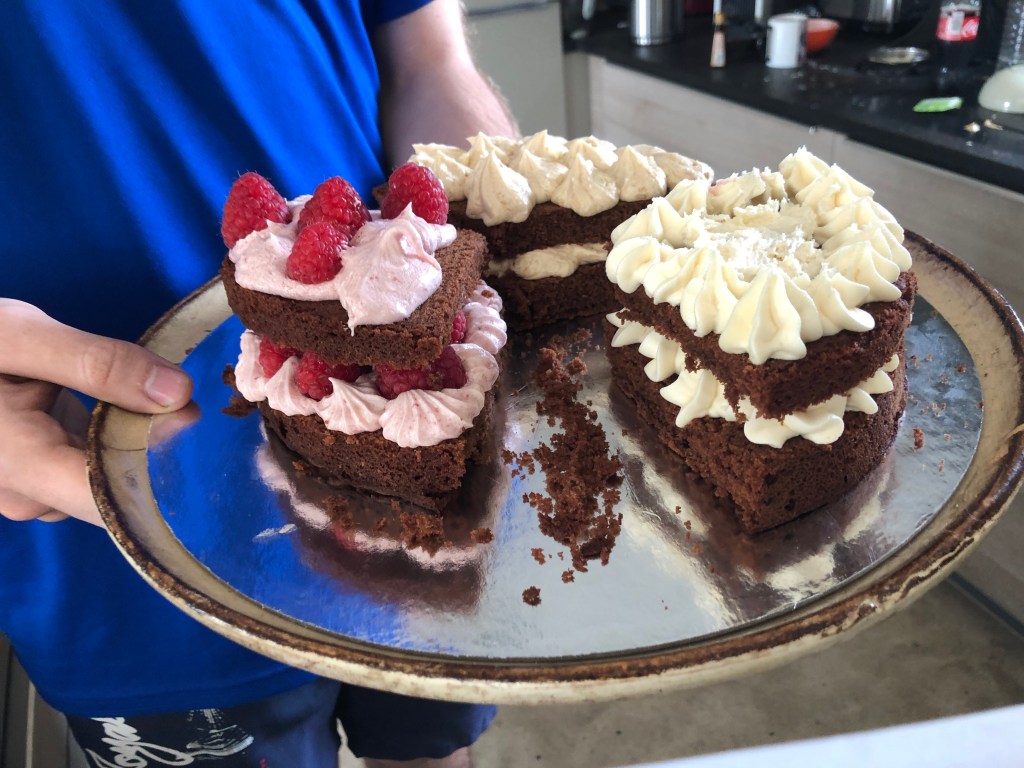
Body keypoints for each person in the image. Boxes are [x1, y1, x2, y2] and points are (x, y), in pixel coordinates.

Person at [0, 1, 519, 766]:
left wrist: (498, 243)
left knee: (434, 751)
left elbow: (428, 57)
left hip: (423, 483)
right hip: (118, 535)